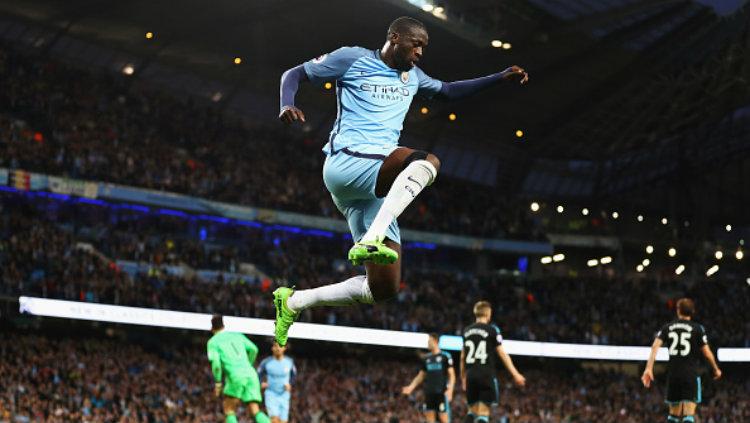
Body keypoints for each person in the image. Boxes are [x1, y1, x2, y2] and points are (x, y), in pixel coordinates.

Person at [273, 15, 529, 346]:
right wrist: (287, 103)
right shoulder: (352, 58)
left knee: (383, 289)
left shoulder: (414, 77)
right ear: (395, 37)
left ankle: (293, 301)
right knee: (428, 161)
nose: (421, 52)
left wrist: (499, 77)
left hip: (373, 186)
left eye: (424, 47)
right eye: (416, 44)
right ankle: (373, 237)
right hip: (347, 162)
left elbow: (449, 92)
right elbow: (293, 74)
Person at [642, 298, 722, 423]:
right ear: (693, 311)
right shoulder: (698, 328)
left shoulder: (667, 327)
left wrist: (648, 368)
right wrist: (716, 369)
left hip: (673, 375)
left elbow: (655, 347)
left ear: (678, 310)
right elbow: (707, 353)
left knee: (673, 416)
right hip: (690, 375)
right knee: (688, 416)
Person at [461, 301, 525, 423]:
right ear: (488, 313)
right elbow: (502, 354)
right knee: (483, 414)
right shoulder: (492, 330)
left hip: (471, 375)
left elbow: (462, 356)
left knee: (472, 412)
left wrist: (463, 376)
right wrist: (515, 374)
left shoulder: (466, 331)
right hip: (485, 374)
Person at [207, 314, 271, 423]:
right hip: (251, 374)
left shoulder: (213, 342)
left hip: (235, 376)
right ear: (223, 325)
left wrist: (218, 383)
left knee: (229, 410)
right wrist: (248, 364)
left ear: (212, 329)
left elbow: (216, 365)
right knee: (255, 410)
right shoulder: (237, 335)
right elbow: (254, 349)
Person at [402, 333, 456, 422]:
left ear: (435, 341)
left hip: (441, 392)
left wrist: (450, 389)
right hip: (429, 392)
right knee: (430, 419)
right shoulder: (426, 358)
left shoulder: (445, 356)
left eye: (429, 341)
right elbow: (421, 375)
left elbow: (452, 375)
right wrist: (411, 387)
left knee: (443, 418)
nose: (427, 343)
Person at [258, 342, 297, 423]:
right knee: (274, 420)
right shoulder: (266, 362)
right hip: (271, 394)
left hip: (284, 395)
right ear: (272, 348)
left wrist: (290, 384)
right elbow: (259, 373)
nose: (278, 348)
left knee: (283, 421)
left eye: (280, 346)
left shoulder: (289, 362)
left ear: (284, 348)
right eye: (275, 346)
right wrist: (261, 382)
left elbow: (294, 375)